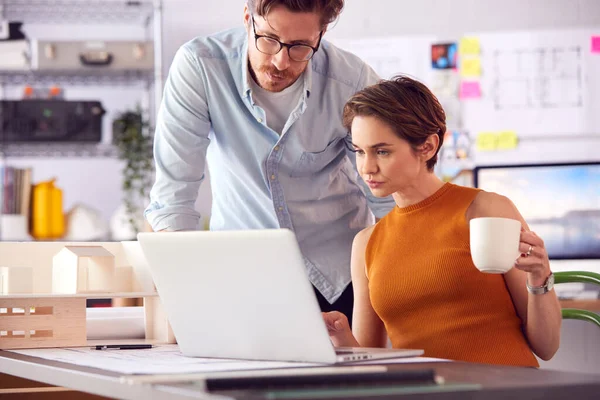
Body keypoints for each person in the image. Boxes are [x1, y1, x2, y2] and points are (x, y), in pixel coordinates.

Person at [144, 0, 394, 323]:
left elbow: (389, 197)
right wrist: (186, 305)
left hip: (340, 282)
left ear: (321, 34)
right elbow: (172, 201)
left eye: (300, 47)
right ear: (248, 18)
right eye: (268, 40)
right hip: (242, 281)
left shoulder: (351, 82)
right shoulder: (200, 67)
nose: (280, 61)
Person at [322, 76, 562, 366]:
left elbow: (546, 347)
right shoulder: (366, 243)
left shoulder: (485, 210)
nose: (366, 167)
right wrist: (341, 336)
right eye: (359, 151)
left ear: (428, 147)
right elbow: (369, 360)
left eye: (381, 151)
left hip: (506, 388)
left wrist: (540, 277)